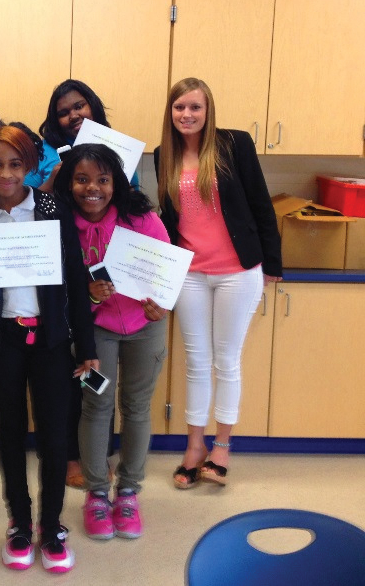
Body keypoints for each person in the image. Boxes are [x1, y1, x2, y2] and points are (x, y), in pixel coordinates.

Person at [0, 126, 98, 573]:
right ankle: (19, 522)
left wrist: (87, 345)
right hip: (5, 340)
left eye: (15, 164)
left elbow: (76, 282)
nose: (5, 174)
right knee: (14, 432)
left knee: (55, 435)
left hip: (52, 340)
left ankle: (52, 525)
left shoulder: (52, 208)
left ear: (29, 166)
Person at [155, 77, 282, 489]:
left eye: (195, 107)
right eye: (180, 108)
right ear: (170, 113)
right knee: (195, 361)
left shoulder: (234, 145)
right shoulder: (163, 155)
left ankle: (222, 445)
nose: (187, 115)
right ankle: (194, 445)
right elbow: (168, 218)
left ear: (208, 111)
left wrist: (273, 263)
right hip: (190, 273)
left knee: (226, 360)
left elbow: (261, 203)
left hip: (237, 272)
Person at [54, 144, 169, 540]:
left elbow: (166, 274)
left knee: (136, 408)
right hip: (93, 333)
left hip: (145, 328)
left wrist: (162, 307)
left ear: (115, 182)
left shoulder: (142, 219)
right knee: (95, 406)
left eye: (103, 180)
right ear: (69, 183)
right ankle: (97, 494)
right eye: (82, 179)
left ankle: (129, 492)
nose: (93, 189)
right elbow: (56, 290)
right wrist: (89, 295)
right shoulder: (62, 225)